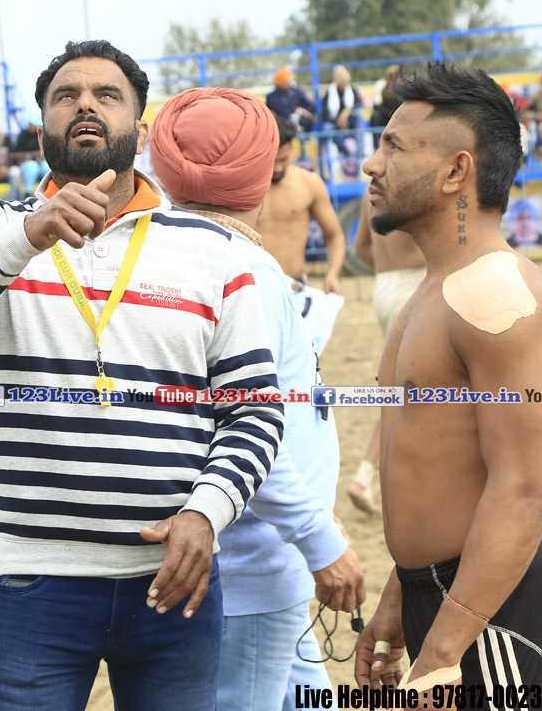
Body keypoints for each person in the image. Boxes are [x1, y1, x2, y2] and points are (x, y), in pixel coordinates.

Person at [0, 39, 285, 711]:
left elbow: (254, 409)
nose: (85, 105)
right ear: (41, 131)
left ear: (140, 130)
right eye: (66, 96)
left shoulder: (213, 251)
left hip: (175, 579)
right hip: (38, 580)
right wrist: (28, 236)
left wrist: (208, 511)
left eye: (107, 95)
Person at [354, 63, 542, 694]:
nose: (372, 165)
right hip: (445, 602)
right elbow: (438, 473)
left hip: (494, 622)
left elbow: (525, 489)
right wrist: (401, 597)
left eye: (394, 147)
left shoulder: (495, 295)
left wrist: (443, 648)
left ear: (456, 172)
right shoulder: (439, 288)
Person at [148, 86, 366, 710]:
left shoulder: (164, 260)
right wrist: (317, 536)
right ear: (259, 170)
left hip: (265, 548)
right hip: (256, 560)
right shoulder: (244, 270)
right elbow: (249, 428)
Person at [346, 189, 426, 515]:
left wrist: (388, 273)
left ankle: (366, 477)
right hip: (414, 282)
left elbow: (360, 249)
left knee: (405, 387)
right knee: (408, 391)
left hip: (385, 285)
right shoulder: (412, 182)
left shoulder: (372, 190)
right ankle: (366, 476)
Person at [256, 113, 345, 293]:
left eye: (283, 159)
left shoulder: (309, 183)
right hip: (253, 287)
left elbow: (334, 236)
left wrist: (332, 275)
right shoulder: (241, 187)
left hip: (296, 286)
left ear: (292, 150)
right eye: (272, 162)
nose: (278, 168)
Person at [321, 65, 363, 156]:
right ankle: (345, 151)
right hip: (334, 122)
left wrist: (347, 112)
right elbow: (325, 114)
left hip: (349, 121)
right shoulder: (329, 93)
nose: (345, 84)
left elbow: (359, 104)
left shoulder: (351, 90)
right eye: (342, 82)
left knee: (358, 117)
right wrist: (338, 121)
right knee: (326, 128)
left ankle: (360, 150)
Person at [266, 67, 316, 131]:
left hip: (299, 123)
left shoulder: (297, 92)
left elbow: (310, 107)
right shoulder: (271, 97)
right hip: (282, 125)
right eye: (283, 83)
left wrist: (302, 111)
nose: (286, 85)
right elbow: (268, 110)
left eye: (287, 82)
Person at [13, 113, 46, 196]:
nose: (29, 126)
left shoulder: (44, 135)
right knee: (32, 167)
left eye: (31, 124)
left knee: (46, 167)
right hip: (27, 162)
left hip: (41, 161)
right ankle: (27, 192)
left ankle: (49, 192)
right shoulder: (22, 136)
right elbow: (18, 151)